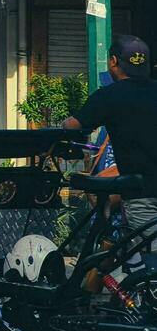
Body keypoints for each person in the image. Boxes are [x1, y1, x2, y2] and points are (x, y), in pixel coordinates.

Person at [65, 35, 157, 242]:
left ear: (113, 61)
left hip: (142, 194)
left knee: (148, 261)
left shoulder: (109, 96)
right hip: (140, 189)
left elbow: (72, 127)